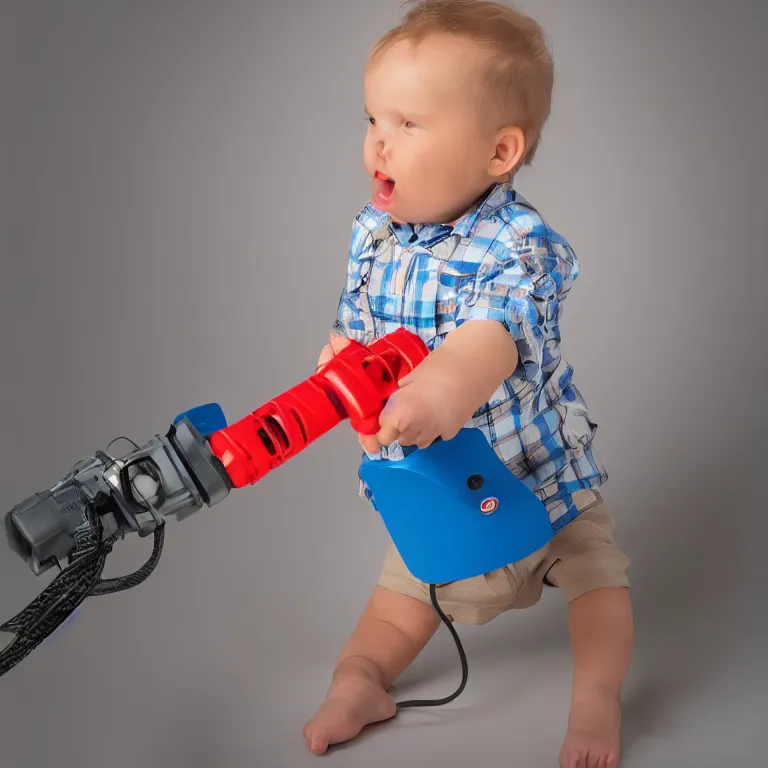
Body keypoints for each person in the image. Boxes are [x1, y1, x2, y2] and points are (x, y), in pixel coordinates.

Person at [305, 2, 634, 766]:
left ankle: (595, 703)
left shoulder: (521, 244)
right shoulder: (374, 236)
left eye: (409, 124)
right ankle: (359, 682)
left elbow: (491, 338)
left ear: (499, 150)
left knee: (598, 580)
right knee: (398, 605)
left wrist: (438, 393)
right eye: (372, 118)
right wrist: (335, 372)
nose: (379, 141)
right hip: (440, 489)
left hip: (543, 477)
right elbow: (352, 329)